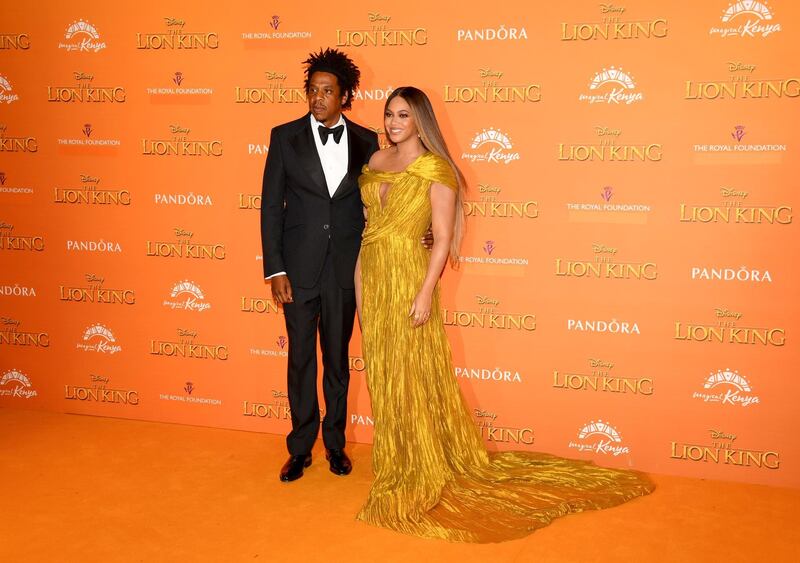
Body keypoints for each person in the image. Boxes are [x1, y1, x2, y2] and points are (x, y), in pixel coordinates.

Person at [354, 87, 654, 542]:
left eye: (403, 116)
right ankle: (396, 464)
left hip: (411, 283)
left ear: (420, 121)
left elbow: (440, 234)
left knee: (415, 375)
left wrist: (424, 293)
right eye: (389, 115)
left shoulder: (438, 170)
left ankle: (424, 467)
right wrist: (360, 292)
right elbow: (368, 233)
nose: (394, 123)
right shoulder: (374, 163)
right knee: (384, 375)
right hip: (373, 279)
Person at [261, 48, 379, 482]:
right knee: (300, 359)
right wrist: (275, 269)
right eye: (313, 90)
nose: (318, 98)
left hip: (345, 271)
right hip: (297, 270)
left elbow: (383, 202)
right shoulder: (284, 137)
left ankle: (335, 444)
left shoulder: (368, 141)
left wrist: (423, 230)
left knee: (336, 359)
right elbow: (271, 206)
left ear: (344, 95)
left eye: (327, 91)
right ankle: (300, 447)